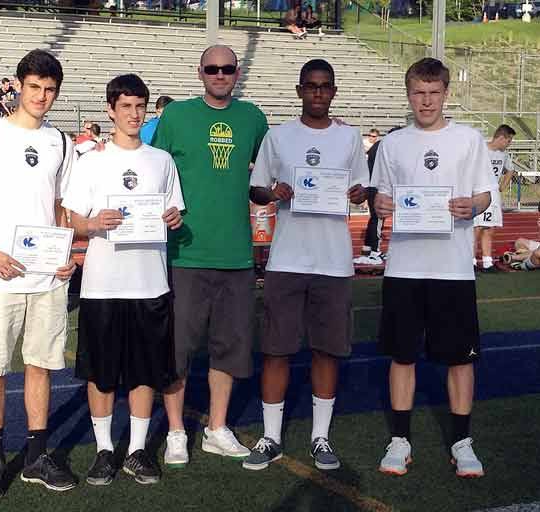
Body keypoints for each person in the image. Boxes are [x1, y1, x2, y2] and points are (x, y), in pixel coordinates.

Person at [0, 49, 77, 499]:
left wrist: (66, 250)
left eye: (49, 90)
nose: (42, 96)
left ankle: (37, 456)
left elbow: (64, 206)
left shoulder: (61, 142)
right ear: (17, 86)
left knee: (40, 366)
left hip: (46, 278)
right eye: (34, 87)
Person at [243, 59, 368, 471]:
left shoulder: (350, 139)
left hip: (333, 261)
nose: (318, 93)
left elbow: (361, 190)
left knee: (327, 351)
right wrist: (273, 191)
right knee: (277, 351)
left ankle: (320, 437)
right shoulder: (279, 137)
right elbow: (257, 189)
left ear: (334, 91)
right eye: (311, 86)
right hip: (287, 260)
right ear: (299, 90)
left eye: (325, 86)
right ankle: (270, 437)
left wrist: (357, 193)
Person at [372, 58, 493, 478]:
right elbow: (380, 198)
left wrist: (473, 205)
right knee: (402, 355)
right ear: (408, 94)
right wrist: (379, 203)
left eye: (433, 93)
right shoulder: (393, 144)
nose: (426, 101)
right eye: (418, 93)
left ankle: (462, 442)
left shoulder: (470, 139)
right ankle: (400, 440)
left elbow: (485, 195)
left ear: (445, 94)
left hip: (453, 268)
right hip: (404, 267)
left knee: (460, 359)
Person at [63, 73, 184, 486]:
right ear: (110, 110)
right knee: (101, 371)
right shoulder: (91, 161)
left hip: (150, 282)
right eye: (126, 106)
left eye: (140, 106)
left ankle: (135, 450)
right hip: (102, 285)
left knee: (145, 369)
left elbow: (174, 213)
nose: (134, 114)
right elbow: (73, 219)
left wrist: (173, 217)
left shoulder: (161, 160)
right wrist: (94, 223)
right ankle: (103, 450)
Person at [152, 45, 268, 466]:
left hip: (235, 253)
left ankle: (217, 428)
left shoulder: (253, 118)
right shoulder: (177, 116)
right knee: (178, 349)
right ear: (199, 72)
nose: (221, 75)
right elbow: (156, 173)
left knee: (229, 347)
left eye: (228, 69)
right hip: (186, 253)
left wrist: (272, 192)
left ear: (237, 74)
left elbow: (258, 179)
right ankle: (177, 431)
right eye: (213, 69)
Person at [354, 126, 403, 266]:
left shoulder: (378, 145)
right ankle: (375, 252)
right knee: (378, 219)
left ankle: (367, 249)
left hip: (372, 184)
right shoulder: (385, 146)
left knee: (374, 218)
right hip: (378, 186)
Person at [473, 124, 516, 272]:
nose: (508, 144)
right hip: (478, 193)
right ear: (501, 137)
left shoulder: (503, 155)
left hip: (493, 195)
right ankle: (471, 262)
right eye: (508, 141)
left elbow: (510, 170)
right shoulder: (480, 150)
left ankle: (487, 262)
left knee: (489, 228)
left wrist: (502, 186)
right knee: (476, 228)